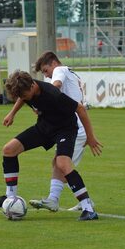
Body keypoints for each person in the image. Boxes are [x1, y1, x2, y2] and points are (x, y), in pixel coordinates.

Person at [0, 70, 102, 221]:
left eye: (24, 95)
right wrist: (12, 113)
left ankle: (88, 208)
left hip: (65, 129)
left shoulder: (52, 94)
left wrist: (91, 137)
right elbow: (22, 98)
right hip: (45, 127)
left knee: (62, 163)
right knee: (9, 150)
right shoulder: (25, 86)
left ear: (33, 87)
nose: (23, 99)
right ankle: (10, 197)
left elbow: (80, 109)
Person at [30, 51, 91, 212]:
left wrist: (43, 101)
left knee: (62, 164)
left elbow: (55, 85)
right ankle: (56, 199)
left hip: (74, 126)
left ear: (53, 63)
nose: (47, 76)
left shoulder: (60, 70)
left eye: (45, 70)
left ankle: (84, 201)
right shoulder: (71, 73)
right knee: (59, 163)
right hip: (73, 125)